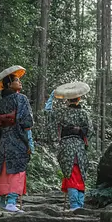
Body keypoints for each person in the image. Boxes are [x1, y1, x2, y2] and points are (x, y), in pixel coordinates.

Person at [0, 66, 35, 213]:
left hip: (4, 139)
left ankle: (2, 201)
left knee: (4, 168)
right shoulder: (21, 98)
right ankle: (11, 201)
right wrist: (29, 141)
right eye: (16, 80)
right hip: (17, 137)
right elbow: (27, 121)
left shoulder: (1, 102)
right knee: (18, 168)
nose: (20, 82)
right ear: (9, 84)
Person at [45, 82, 92, 211]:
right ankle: (79, 204)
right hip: (80, 147)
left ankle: (74, 205)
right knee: (81, 175)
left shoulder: (61, 112)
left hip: (65, 146)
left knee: (70, 174)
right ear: (79, 98)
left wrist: (51, 99)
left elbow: (48, 115)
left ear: (67, 99)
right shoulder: (84, 114)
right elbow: (90, 131)